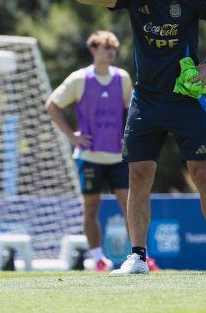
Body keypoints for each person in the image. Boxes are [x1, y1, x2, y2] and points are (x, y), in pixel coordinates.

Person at [43, 0, 206, 275]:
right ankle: (137, 256)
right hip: (145, 100)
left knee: (203, 174)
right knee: (138, 175)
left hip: (185, 100)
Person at [45, 31, 135, 272]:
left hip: (117, 156)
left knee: (129, 205)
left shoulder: (122, 78)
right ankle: (98, 259)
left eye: (113, 47)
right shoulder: (79, 79)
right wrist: (71, 136)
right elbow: (52, 106)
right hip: (89, 156)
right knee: (91, 207)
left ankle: (137, 256)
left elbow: (132, 110)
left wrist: (129, 137)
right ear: (94, 50)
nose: (111, 52)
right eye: (106, 47)